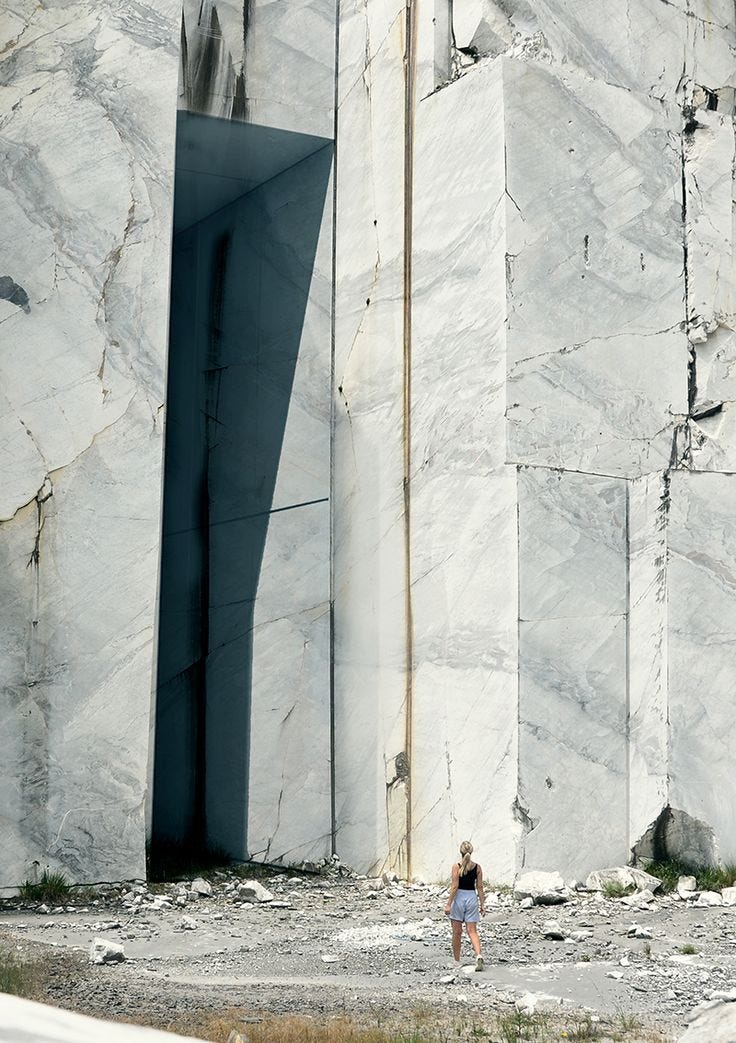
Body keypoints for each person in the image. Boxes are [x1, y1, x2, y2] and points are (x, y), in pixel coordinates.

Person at [443, 840, 485, 971]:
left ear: (460, 852)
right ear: (471, 852)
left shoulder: (456, 866)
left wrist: (448, 904)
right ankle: (478, 955)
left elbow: (455, 886)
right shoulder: (477, 867)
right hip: (472, 897)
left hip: (459, 898)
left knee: (457, 932)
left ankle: (456, 961)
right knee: (472, 931)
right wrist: (482, 904)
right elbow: (480, 887)